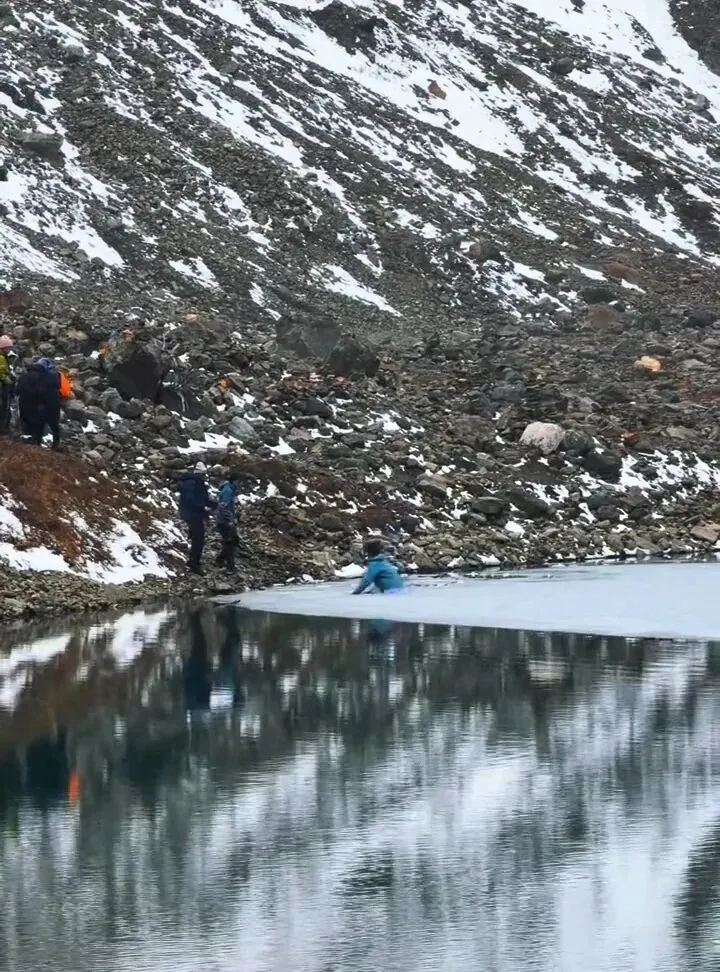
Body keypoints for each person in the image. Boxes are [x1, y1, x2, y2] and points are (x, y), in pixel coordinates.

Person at [177, 461, 215, 573]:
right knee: (198, 538)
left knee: (197, 537)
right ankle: (194, 563)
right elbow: (192, 500)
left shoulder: (196, 482)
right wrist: (204, 506)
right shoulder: (192, 483)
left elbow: (201, 499)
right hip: (192, 514)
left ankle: (193, 560)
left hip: (193, 513)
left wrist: (212, 504)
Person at [16, 356, 61, 448]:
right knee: (50, 425)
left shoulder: (24, 376)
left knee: (29, 426)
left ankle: (30, 443)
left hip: (25, 405)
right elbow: (47, 392)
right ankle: (54, 444)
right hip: (46, 405)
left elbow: (17, 390)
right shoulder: (48, 377)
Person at [215, 472, 239, 570]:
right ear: (235, 481)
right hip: (225, 521)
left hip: (225, 520)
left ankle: (222, 560)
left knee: (231, 541)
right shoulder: (227, 491)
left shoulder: (229, 489)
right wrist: (229, 520)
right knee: (230, 542)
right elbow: (223, 507)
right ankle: (229, 566)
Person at [0, 335, 15, 436]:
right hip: (2, 386)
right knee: (3, 407)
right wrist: (8, 380)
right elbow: (1, 372)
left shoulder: (3, 357)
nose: (9, 349)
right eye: (8, 347)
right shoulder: (1, 357)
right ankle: (3, 430)